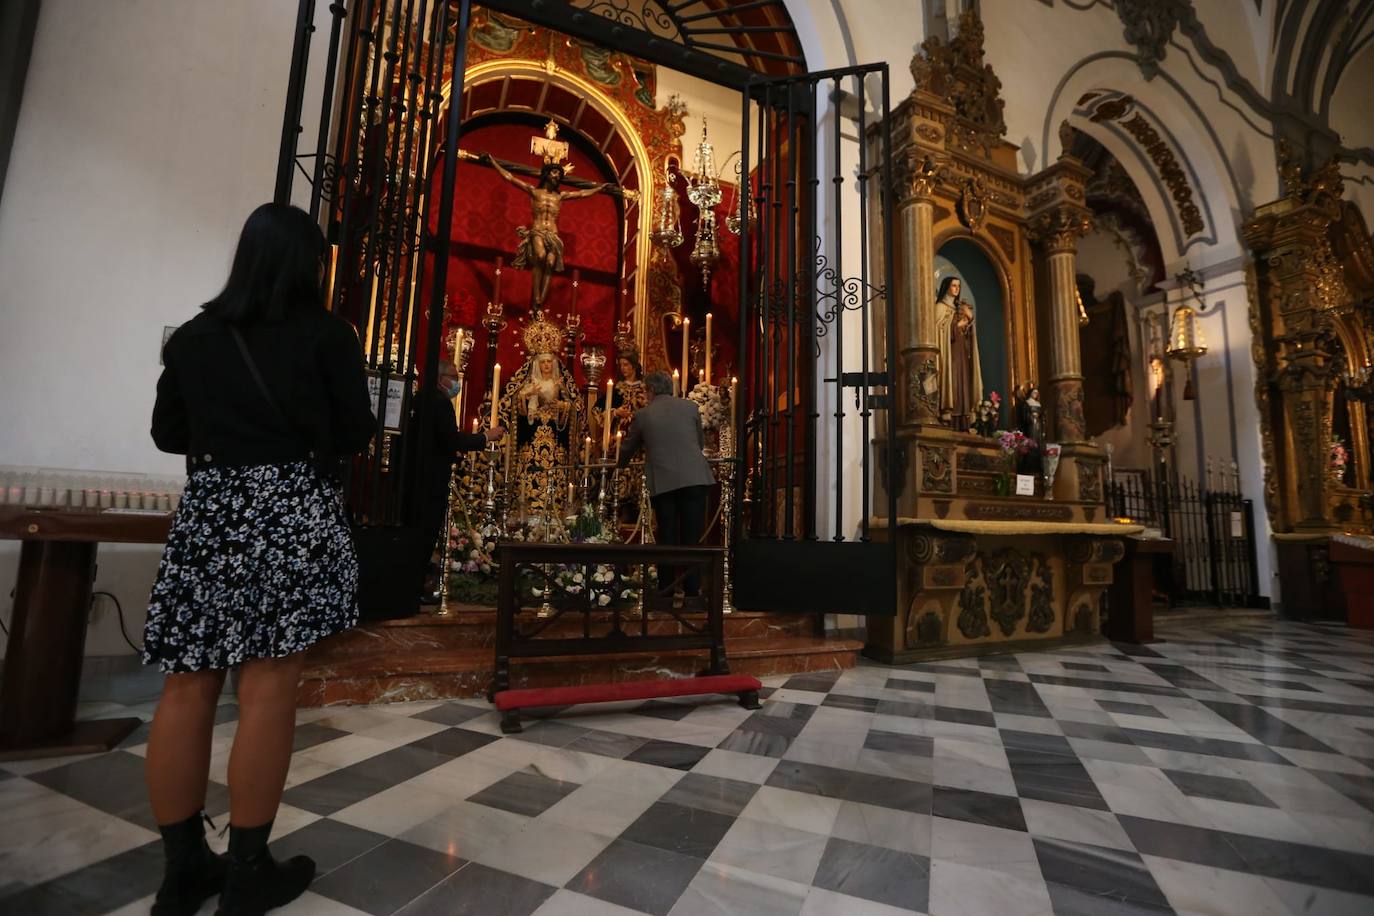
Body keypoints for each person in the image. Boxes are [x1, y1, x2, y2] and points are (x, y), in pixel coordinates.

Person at [144, 203, 375, 916]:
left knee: (187, 685)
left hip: (211, 512)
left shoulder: (191, 339)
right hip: (288, 510)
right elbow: (357, 431)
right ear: (310, 264)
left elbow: (166, 432)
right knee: (269, 688)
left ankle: (184, 869)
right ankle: (247, 872)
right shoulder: (328, 334)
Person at [405, 359, 504, 601]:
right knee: (426, 534)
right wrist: (485, 437)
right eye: (454, 377)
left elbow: (436, 440)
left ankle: (410, 586)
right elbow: (452, 439)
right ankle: (414, 589)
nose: (457, 383)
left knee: (415, 533)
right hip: (431, 479)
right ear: (441, 379)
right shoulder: (440, 402)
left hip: (413, 477)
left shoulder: (419, 398)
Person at [617, 370, 717, 595]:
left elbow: (629, 447)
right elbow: (699, 442)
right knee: (692, 539)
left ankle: (666, 594)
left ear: (651, 390)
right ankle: (693, 594)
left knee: (667, 538)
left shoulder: (644, 415)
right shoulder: (690, 407)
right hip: (695, 479)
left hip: (665, 483)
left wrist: (618, 464)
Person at [483, 152, 614, 307]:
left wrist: (600, 188)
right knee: (540, 255)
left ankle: (539, 300)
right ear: (546, 174)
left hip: (553, 233)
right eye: (554, 172)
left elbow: (582, 193)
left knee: (551, 263)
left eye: (559, 174)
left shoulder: (560, 196)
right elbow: (510, 178)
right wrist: (493, 162)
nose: (556, 176)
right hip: (538, 230)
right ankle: (536, 295)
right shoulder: (534, 191)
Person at [934, 275, 983, 431]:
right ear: (946, 287)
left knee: (963, 384)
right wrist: (958, 325)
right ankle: (949, 418)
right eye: (954, 285)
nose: (957, 289)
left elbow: (967, 334)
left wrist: (969, 321)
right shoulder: (939, 307)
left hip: (961, 354)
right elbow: (938, 331)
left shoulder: (959, 308)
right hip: (949, 356)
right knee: (953, 383)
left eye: (958, 286)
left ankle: (963, 423)